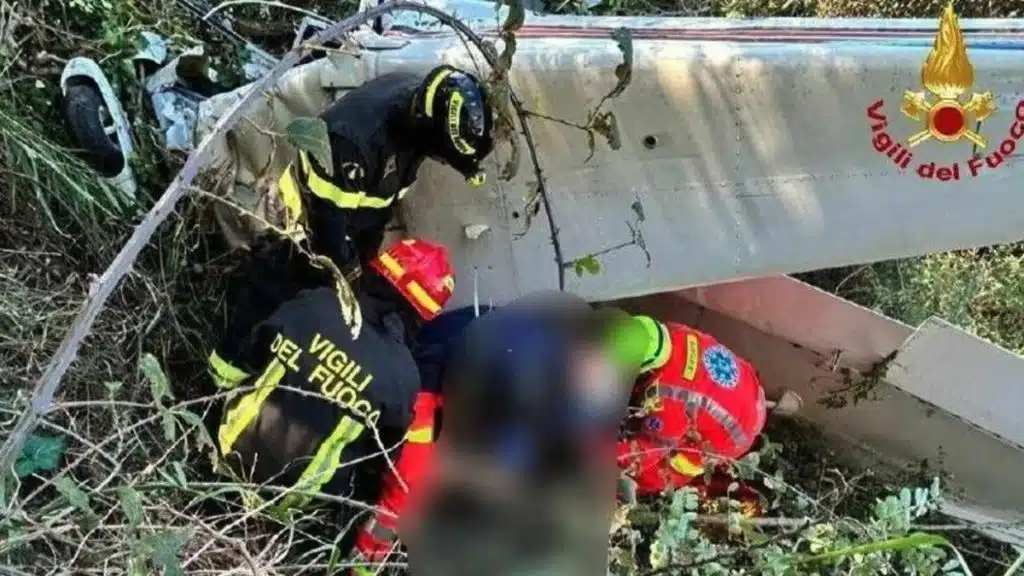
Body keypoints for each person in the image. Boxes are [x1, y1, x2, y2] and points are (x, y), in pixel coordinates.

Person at [217, 64, 494, 376]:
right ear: (425, 127)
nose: (439, 160)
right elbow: (328, 227)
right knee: (272, 302)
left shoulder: (419, 108)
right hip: (299, 232)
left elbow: (379, 205)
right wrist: (348, 285)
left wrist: (364, 264)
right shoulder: (354, 141)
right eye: (441, 154)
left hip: (346, 227)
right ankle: (226, 379)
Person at [348, 295, 644, 576]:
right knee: (403, 484)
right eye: (597, 364)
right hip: (426, 395)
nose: (598, 379)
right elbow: (429, 374)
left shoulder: (592, 394)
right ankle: (363, 554)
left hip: (479, 443)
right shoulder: (514, 342)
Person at [205, 238, 456, 519]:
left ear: (377, 274)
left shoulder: (315, 304)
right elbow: (378, 464)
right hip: (290, 504)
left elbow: (247, 353)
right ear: (423, 315)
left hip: (224, 449)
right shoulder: (404, 380)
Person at [615, 315, 768, 497]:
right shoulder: (676, 331)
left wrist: (598, 458)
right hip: (748, 390)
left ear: (649, 369)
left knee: (662, 472)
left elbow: (641, 453)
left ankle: (631, 494)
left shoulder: (670, 399)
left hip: (736, 434)